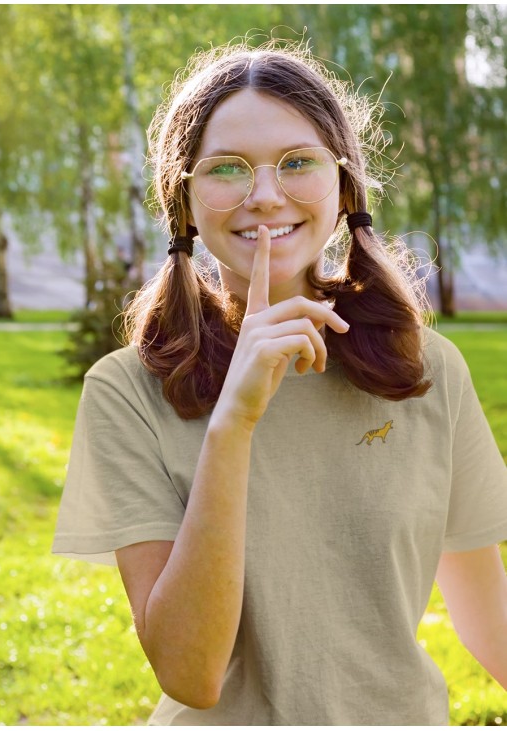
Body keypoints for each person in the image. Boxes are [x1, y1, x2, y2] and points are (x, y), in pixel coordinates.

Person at [53, 41, 507, 725]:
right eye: (227, 169)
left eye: (298, 162)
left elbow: (488, 614)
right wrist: (234, 420)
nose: (265, 196)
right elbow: (190, 671)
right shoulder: (126, 391)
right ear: (183, 201)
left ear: (345, 185)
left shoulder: (425, 369)